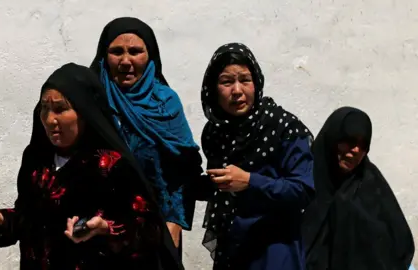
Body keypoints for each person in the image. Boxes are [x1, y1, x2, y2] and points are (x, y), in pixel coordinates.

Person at [0, 63, 183, 270]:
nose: (50, 118)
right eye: (44, 108)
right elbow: (29, 219)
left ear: (85, 113)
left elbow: (149, 231)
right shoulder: (36, 160)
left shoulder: (111, 165)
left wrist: (105, 228)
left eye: (60, 108)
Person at [89, 17, 203, 253]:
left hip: (156, 228)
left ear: (150, 56)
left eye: (135, 51)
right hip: (99, 229)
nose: (125, 61)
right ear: (104, 56)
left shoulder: (166, 103)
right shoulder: (91, 101)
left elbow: (183, 169)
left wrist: (175, 221)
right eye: (116, 52)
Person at [199, 42, 315, 270]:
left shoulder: (283, 128)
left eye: (245, 80)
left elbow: (304, 189)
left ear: (257, 82)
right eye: (226, 82)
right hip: (231, 248)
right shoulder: (214, 132)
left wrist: (250, 181)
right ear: (213, 89)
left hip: (274, 250)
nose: (237, 91)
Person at [302, 106, 414, 270]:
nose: (355, 150)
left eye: (363, 145)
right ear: (333, 138)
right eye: (349, 141)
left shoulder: (370, 183)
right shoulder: (303, 180)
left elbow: (400, 243)